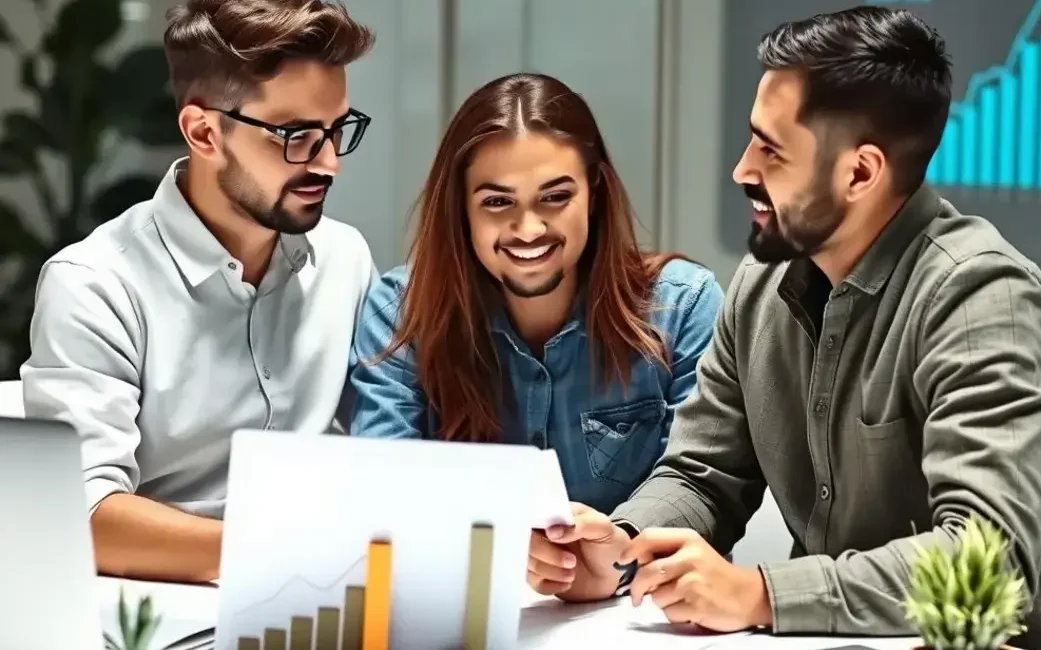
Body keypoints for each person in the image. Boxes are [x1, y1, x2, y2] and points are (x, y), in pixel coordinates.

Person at [526, 7, 1041, 649]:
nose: (742, 169)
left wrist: (760, 594)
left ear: (860, 173)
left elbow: (985, 565)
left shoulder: (985, 300)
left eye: (771, 149)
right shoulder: (762, 286)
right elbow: (703, 475)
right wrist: (620, 551)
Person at [20, 0, 377, 584]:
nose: (330, 162)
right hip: (160, 612)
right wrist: (277, 554)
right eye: (296, 136)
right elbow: (82, 512)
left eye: (338, 129)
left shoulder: (345, 258)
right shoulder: (96, 284)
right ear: (203, 132)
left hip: (321, 598)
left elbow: (389, 440)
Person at [348, 73, 722, 515]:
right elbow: (384, 501)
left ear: (595, 195)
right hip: (467, 583)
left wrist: (610, 547)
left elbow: (699, 495)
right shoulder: (400, 315)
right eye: (497, 202)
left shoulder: (683, 306)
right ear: (461, 209)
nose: (529, 229)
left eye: (556, 197)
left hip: (630, 581)